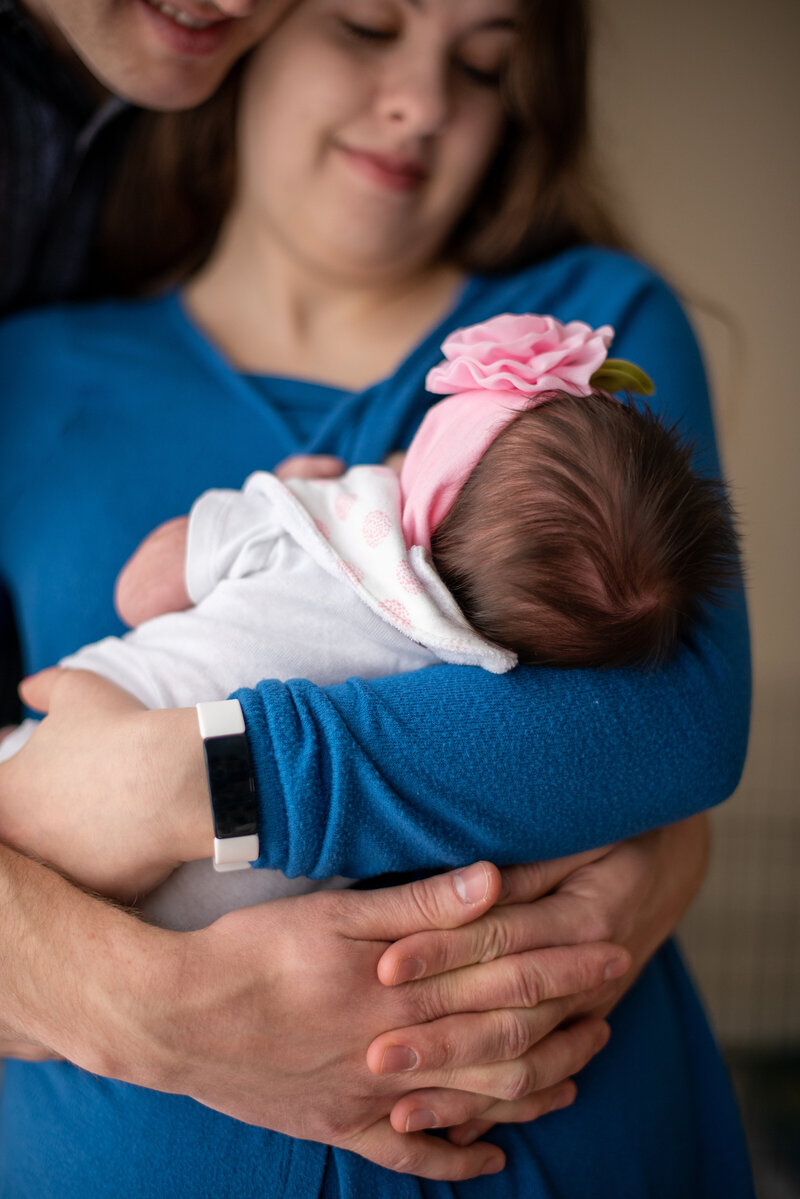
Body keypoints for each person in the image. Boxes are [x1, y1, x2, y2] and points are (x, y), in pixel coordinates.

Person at [0, 1, 753, 1196]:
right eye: (362, 25)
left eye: (483, 63)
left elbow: (669, 726)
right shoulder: (29, 372)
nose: (421, 101)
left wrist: (176, 781)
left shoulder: (588, 342)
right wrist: (164, 1004)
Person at [0, 314, 741, 934]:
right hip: (200, 931)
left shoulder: (311, 517)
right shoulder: (470, 682)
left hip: (56, 764)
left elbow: (142, 591)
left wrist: (274, 494)